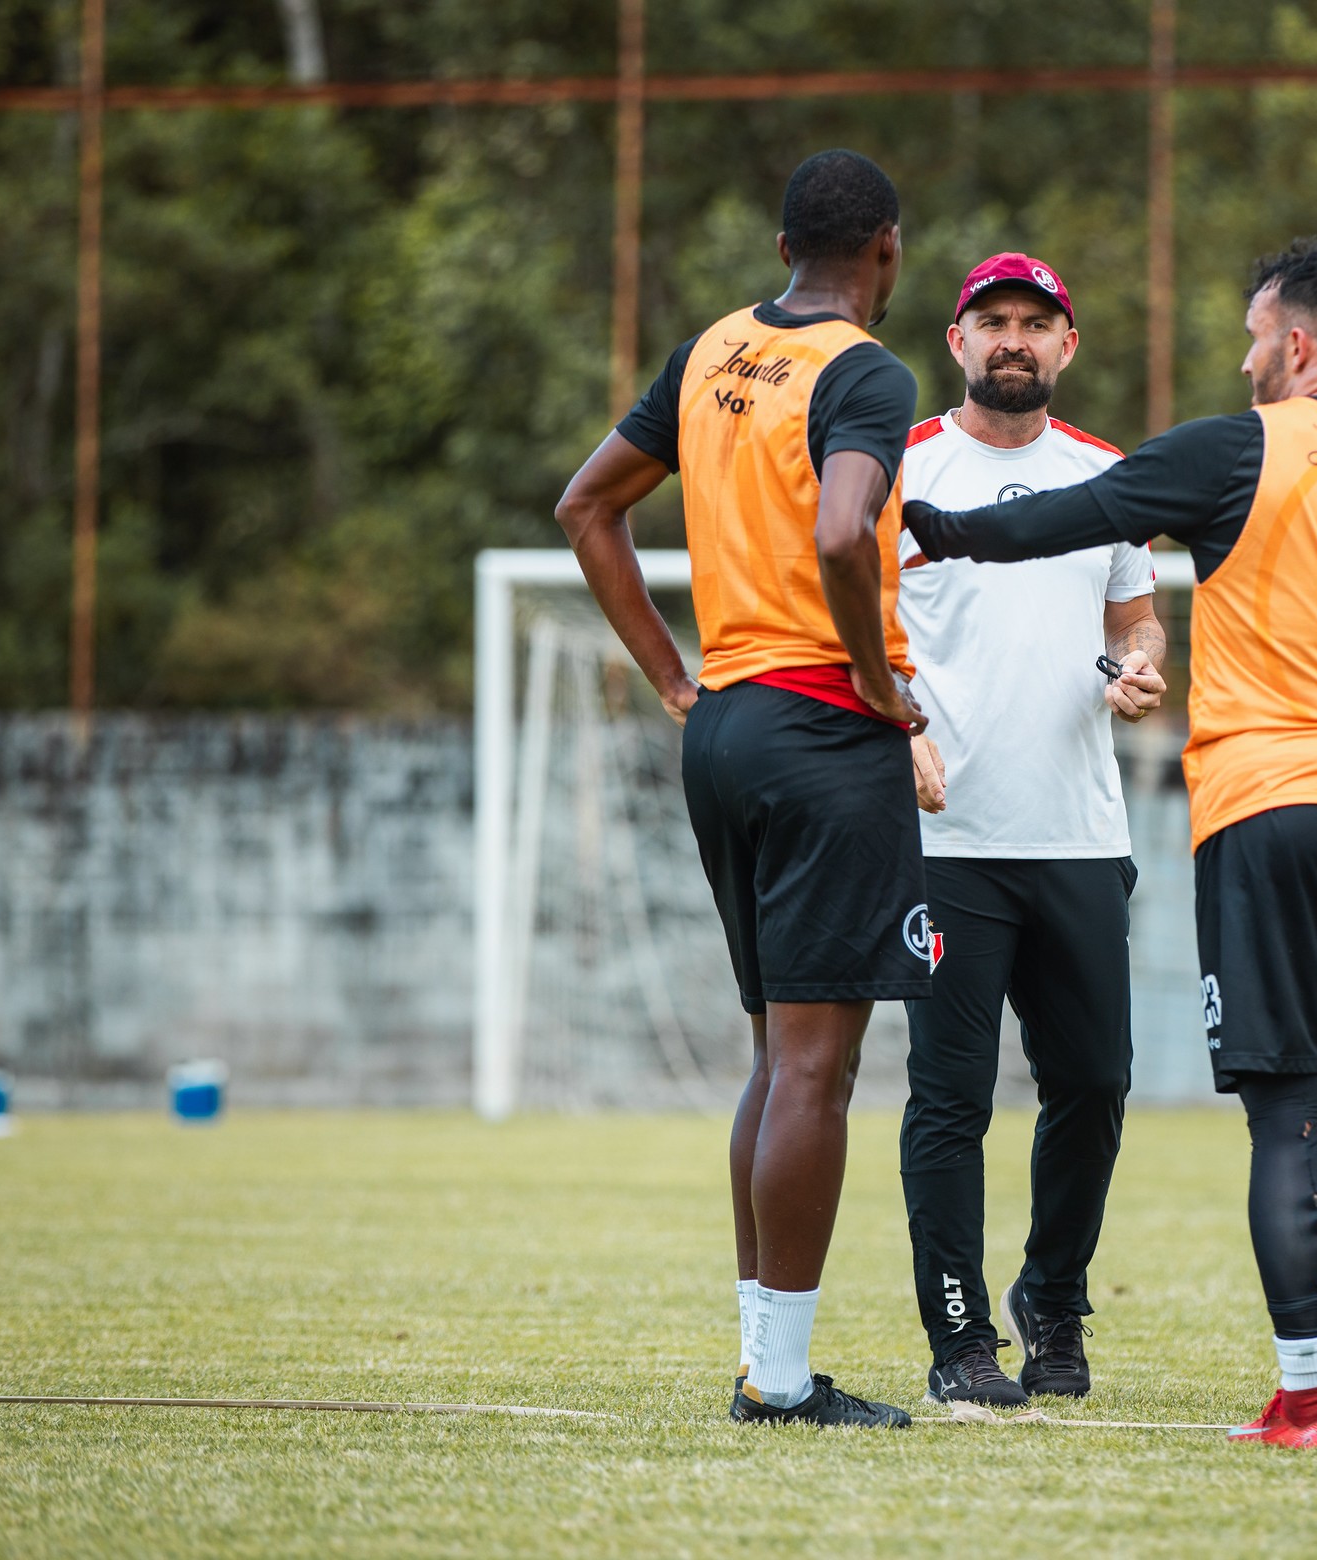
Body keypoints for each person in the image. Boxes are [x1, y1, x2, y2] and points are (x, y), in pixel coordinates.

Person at [902, 238, 1317, 1450]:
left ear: (1295, 345)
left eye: (1256, 337)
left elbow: (1058, 522)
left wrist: (929, 523)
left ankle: (1307, 1401)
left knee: (1284, 1119)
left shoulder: (1232, 449)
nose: (1247, 358)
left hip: (1257, 817)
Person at [554, 149, 926, 1430]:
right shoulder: (864, 372)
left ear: (781, 251)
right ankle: (779, 1381)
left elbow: (585, 506)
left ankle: (767, 1358)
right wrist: (873, 676)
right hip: (822, 727)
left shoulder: (711, 350)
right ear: (884, 249)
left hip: (723, 726)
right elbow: (841, 532)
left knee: (776, 1059)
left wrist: (673, 677)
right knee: (817, 1070)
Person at [896, 253, 1166, 1408]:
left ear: (1067, 345)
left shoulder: (1107, 476)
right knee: (949, 1101)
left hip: (1079, 839)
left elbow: (1134, 622)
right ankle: (959, 1340)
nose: (1012, 337)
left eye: (1033, 322)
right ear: (956, 340)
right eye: (991, 319)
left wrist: (1137, 667)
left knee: (1094, 1083)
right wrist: (895, 724)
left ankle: (1051, 1300)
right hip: (945, 843)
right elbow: (848, 622)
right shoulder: (898, 465)